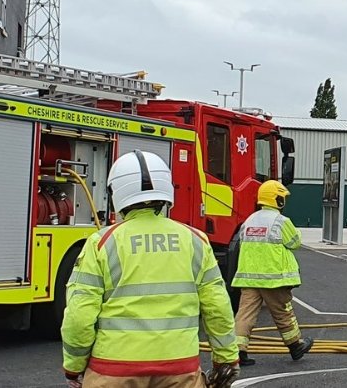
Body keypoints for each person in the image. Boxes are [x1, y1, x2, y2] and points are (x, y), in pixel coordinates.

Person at [60, 150, 239, 388]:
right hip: (180, 369)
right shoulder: (196, 241)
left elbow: (79, 315)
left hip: (113, 370)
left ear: (115, 192)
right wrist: (226, 358)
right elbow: (218, 308)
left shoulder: (102, 243)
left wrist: (74, 366)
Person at [229, 180, 313, 365]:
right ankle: (295, 346)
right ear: (278, 200)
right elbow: (295, 242)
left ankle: (237, 352)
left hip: (249, 279)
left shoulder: (249, 220)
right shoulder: (281, 221)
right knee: (283, 312)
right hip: (273, 279)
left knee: (245, 315)